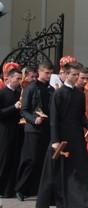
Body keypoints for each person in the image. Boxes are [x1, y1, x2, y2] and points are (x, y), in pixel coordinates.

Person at [36, 63, 88, 208]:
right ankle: (63, 205)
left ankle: (83, 204)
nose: (76, 77)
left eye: (78, 75)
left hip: (77, 137)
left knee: (80, 170)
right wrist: (55, 141)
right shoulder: (58, 94)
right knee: (63, 172)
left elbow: (80, 116)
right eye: (74, 75)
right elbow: (53, 119)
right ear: (66, 74)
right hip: (62, 138)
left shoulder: (79, 94)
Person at [16, 61, 55, 200]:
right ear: (39, 72)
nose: (49, 76)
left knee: (43, 160)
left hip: (47, 130)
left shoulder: (51, 89)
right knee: (31, 160)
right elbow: (24, 110)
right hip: (33, 130)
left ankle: (36, 189)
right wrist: (34, 119)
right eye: (46, 73)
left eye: (51, 73)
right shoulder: (31, 88)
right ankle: (20, 188)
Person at [0, 67, 24, 198]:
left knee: (15, 159)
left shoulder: (19, 93)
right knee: (4, 159)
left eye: (21, 79)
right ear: (9, 78)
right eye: (17, 78)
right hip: (5, 131)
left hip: (17, 130)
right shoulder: (2, 93)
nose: (19, 81)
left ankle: (9, 190)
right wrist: (13, 107)